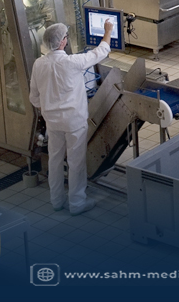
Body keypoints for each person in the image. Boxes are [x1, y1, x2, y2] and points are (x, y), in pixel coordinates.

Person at [29, 21, 113, 215]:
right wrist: (108, 31)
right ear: (61, 42)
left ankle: (56, 200)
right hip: (74, 121)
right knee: (76, 162)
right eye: (66, 37)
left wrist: (49, 109)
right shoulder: (72, 62)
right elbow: (101, 52)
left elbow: (34, 97)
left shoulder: (38, 64)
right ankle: (77, 203)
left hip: (52, 122)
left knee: (55, 160)